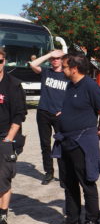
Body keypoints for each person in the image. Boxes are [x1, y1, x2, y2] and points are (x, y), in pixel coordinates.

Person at [49, 52, 100, 224]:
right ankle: (71, 221)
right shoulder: (69, 86)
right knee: (69, 184)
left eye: (65, 66)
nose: (62, 69)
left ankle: (92, 222)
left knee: (87, 183)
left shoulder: (90, 86)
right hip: (66, 141)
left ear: (74, 69)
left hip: (82, 143)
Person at [29, 49, 69, 185]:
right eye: (53, 58)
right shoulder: (46, 72)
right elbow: (33, 64)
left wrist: (64, 111)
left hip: (60, 114)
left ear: (63, 59)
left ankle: (64, 177)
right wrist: (49, 55)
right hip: (43, 112)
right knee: (45, 145)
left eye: (58, 58)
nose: (55, 60)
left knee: (61, 145)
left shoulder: (67, 75)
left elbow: (72, 95)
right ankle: (49, 172)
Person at [0, 48, 27, 224]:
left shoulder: (13, 85)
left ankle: (2, 218)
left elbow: (19, 116)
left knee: (3, 179)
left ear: (4, 61)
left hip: (5, 136)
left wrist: (9, 138)